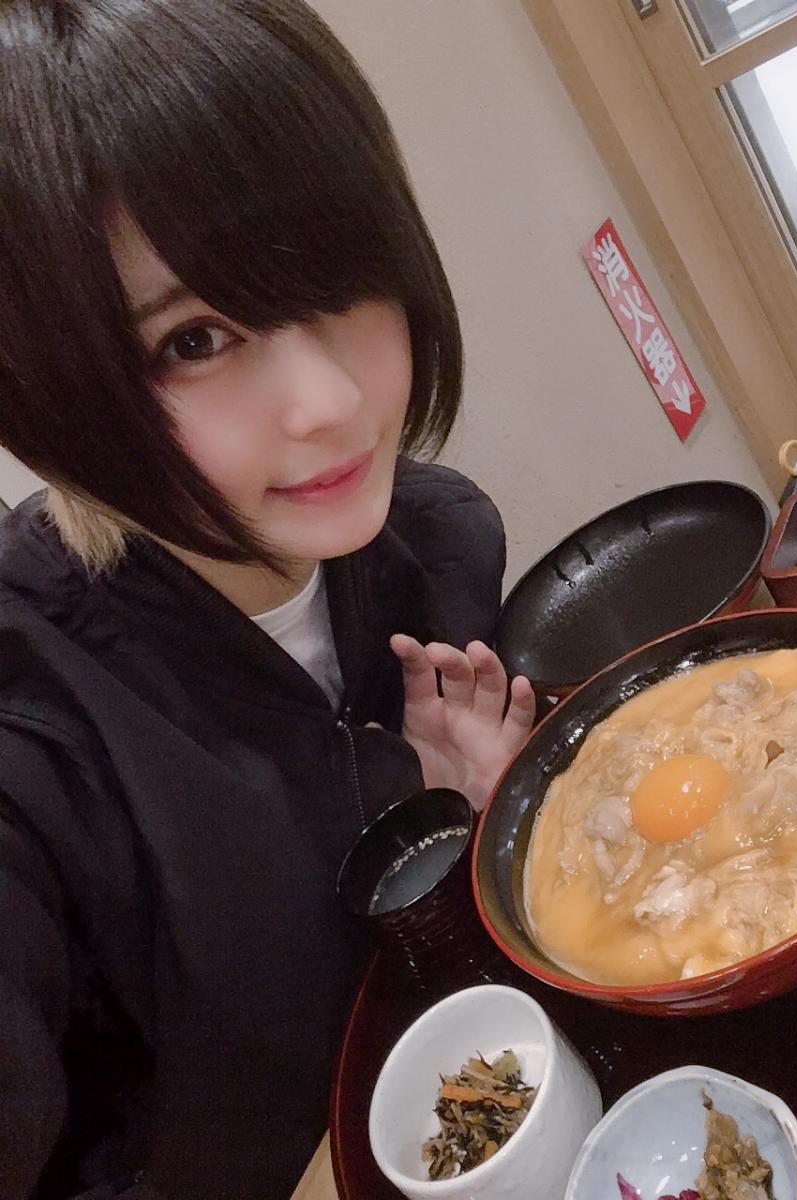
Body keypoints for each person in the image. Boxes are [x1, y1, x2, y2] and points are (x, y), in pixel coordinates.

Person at [0, 3, 535, 1196]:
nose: (330, 403)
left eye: (337, 278)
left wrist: (466, 828)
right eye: (194, 339)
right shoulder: (34, 729)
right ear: (42, 391)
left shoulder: (437, 540)